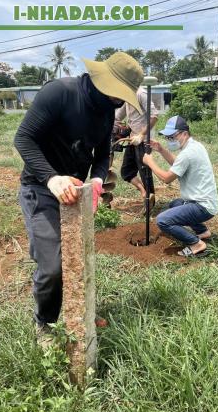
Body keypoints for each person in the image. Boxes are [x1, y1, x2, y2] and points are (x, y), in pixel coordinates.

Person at [14, 52, 144, 342]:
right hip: (40, 188)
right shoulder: (60, 93)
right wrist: (52, 178)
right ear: (102, 80)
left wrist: (97, 180)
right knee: (52, 267)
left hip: (77, 193)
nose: (119, 101)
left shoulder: (108, 110)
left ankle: (80, 310)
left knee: (78, 259)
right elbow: (23, 138)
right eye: (117, 93)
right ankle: (45, 323)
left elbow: (102, 153)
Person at [142, 115, 218, 258]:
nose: (170, 140)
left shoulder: (188, 153)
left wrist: (150, 162)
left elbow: (166, 178)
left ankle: (196, 244)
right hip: (207, 202)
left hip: (202, 206)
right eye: (168, 138)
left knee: (162, 220)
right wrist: (161, 149)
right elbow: (178, 164)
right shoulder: (195, 146)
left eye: (172, 136)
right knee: (175, 204)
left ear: (184, 133)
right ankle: (202, 232)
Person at [114, 85, 159, 210]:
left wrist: (142, 134)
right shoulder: (127, 97)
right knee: (126, 172)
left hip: (143, 141)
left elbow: (154, 116)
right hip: (132, 140)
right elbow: (118, 116)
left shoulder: (141, 94)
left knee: (145, 174)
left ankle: (149, 204)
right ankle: (144, 192)